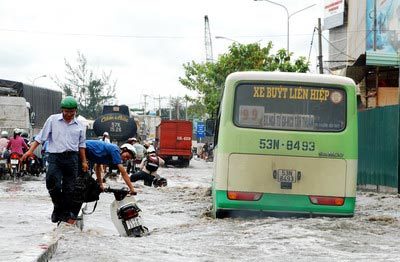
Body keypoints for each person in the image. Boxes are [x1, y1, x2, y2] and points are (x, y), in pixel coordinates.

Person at [22, 96, 88, 224]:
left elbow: (82, 145)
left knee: (70, 188)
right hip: (55, 157)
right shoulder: (52, 120)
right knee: (53, 184)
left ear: (75, 110)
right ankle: (57, 207)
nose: (69, 114)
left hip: (72, 158)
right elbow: (41, 138)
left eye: (72, 111)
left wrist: (84, 161)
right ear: (62, 109)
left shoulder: (80, 125)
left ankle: (65, 214)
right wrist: (30, 151)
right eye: (66, 111)